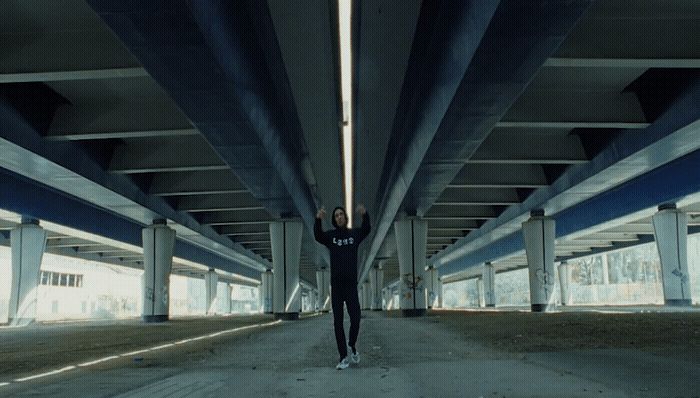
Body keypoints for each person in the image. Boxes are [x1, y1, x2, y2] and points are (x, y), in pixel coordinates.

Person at [314, 204, 370, 369]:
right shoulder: (331, 237)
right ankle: (343, 357)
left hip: (351, 285)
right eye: (336, 215)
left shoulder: (354, 234)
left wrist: (365, 214)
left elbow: (366, 229)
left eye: (341, 214)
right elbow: (318, 236)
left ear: (346, 217)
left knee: (356, 318)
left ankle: (351, 344)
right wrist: (318, 219)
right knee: (337, 322)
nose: (339, 217)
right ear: (334, 220)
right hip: (337, 287)